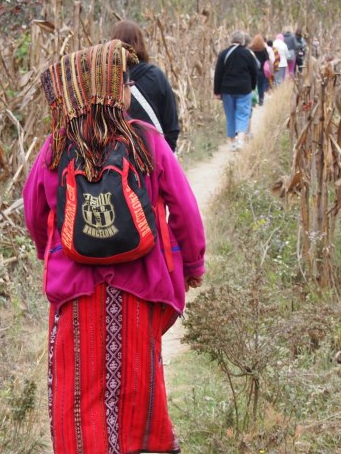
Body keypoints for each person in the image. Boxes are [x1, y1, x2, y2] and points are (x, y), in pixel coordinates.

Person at [25, 40, 206, 454]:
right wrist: (192, 265)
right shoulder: (147, 142)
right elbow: (185, 210)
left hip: (75, 294)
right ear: (112, 90)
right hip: (139, 291)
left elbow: (33, 210)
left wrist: (50, 252)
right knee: (137, 387)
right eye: (124, 83)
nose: (128, 91)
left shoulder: (55, 147)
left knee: (79, 393)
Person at [110, 20, 180, 151]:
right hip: (156, 156)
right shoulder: (157, 76)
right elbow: (172, 126)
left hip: (120, 162)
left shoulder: (107, 81)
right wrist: (165, 156)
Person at [214, 31, 259, 151]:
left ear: (230, 40)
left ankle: (232, 142)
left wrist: (217, 91)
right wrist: (253, 86)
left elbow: (218, 73)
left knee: (230, 115)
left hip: (227, 89)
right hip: (244, 88)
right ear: (243, 41)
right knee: (243, 113)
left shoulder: (223, 54)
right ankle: (240, 138)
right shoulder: (247, 54)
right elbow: (254, 72)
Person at [250, 34, 271, 106]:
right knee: (261, 86)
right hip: (262, 71)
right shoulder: (263, 49)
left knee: (253, 86)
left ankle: (253, 100)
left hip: (252, 71)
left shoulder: (251, 48)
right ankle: (261, 100)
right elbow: (267, 59)